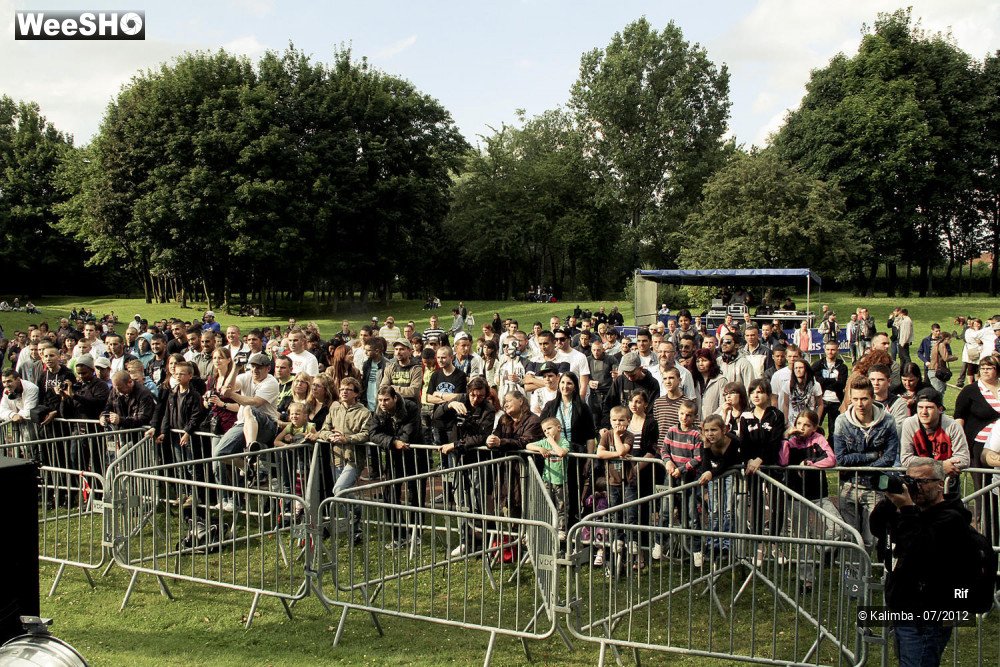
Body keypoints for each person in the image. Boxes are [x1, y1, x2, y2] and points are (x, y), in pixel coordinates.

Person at [868, 458, 976, 666]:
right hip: (902, 606)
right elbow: (877, 528)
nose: (915, 486)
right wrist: (890, 501)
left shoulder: (951, 517)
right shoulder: (909, 511)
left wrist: (907, 509)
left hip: (928, 614)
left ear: (939, 483)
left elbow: (920, 549)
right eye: (910, 480)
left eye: (922, 481)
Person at [833, 375, 900, 549]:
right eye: (855, 399)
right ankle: (851, 574)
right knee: (850, 536)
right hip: (848, 485)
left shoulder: (887, 421)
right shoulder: (842, 422)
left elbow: (889, 457)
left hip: (876, 486)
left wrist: (863, 467)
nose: (860, 404)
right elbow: (841, 459)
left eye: (864, 399)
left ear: (872, 397)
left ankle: (868, 574)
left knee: (872, 538)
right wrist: (872, 457)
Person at [210, 353, 281, 511]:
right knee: (220, 453)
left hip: (266, 425)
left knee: (249, 408)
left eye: (260, 367)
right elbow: (226, 388)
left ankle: (251, 448)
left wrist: (231, 395)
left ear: (268, 368)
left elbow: (255, 402)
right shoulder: (245, 375)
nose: (255, 370)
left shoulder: (271, 382)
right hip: (243, 423)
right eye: (253, 366)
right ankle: (252, 469)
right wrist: (235, 368)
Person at [780, 409, 840, 590]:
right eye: (799, 424)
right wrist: (785, 437)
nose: (802, 428)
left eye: (806, 425)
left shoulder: (818, 440)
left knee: (838, 527)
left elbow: (831, 459)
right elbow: (782, 461)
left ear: (814, 427)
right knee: (802, 538)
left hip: (818, 495)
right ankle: (806, 580)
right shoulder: (790, 441)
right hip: (796, 496)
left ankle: (821, 548)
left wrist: (810, 464)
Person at [369, 385, 424, 549]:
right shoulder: (379, 412)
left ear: (394, 398)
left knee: (416, 495)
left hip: (415, 455)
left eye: (386, 400)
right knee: (391, 494)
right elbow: (372, 433)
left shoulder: (411, 407)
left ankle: (417, 533)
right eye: (380, 400)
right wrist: (392, 442)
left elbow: (409, 434)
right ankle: (398, 535)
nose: (383, 403)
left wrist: (393, 441)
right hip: (393, 457)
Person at [655, 399, 703, 565]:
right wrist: (668, 462)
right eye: (682, 414)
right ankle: (659, 543)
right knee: (666, 511)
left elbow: (698, 458)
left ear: (694, 417)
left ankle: (696, 550)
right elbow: (664, 450)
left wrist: (681, 469)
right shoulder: (672, 431)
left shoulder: (696, 435)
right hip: (670, 477)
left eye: (689, 415)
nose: (684, 418)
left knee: (692, 515)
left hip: (688, 479)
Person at [899, 388, 969, 488]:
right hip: (918, 483)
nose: (924, 412)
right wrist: (940, 466)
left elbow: (963, 459)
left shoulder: (952, 426)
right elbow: (906, 459)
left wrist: (924, 465)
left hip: (947, 484)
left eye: (929, 407)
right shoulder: (909, 424)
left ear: (940, 409)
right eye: (920, 407)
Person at [526, 417, 570, 540]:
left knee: (561, 507)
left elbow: (561, 453)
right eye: (545, 431)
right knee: (546, 506)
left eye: (549, 428)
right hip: (547, 480)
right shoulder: (544, 442)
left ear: (559, 428)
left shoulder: (564, 441)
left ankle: (561, 530)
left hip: (560, 481)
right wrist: (540, 448)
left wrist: (552, 443)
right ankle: (547, 530)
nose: (547, 432)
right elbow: (528, 445)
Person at [813, 340, 848, 436]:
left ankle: (832, 449)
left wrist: (825, 381)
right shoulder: (818, 364)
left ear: (837, 351)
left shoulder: (842, 367)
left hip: (836, 401)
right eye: (828, 349)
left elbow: (841, 384)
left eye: (833, 350)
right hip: (821, 400)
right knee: (815, 426)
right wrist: (833, 381)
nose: (830, 352)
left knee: (834, 430)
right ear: (824, 350)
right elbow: (817, 381)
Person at [927, 331, 957, 397]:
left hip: (933, 371)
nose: (950, 340)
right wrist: (954, 357)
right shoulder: (941, 345)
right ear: (945, 339)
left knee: (937, 393)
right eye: (949, 339)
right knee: (939, 394)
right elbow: (946, 358)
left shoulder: (936, 344)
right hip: (937, 371)